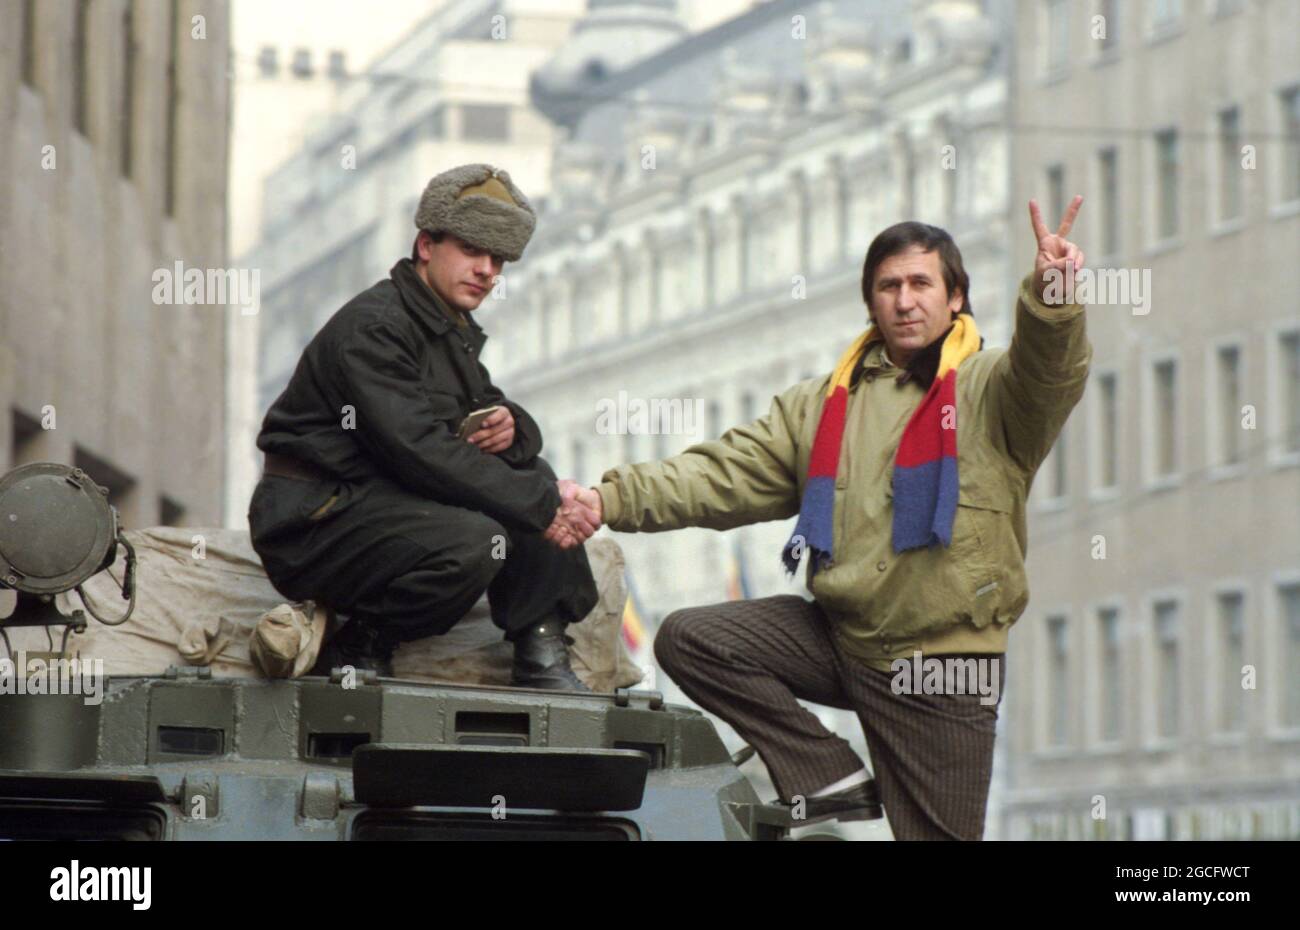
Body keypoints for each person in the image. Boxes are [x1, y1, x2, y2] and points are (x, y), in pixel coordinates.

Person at [560, 198, 1093, 836]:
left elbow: (1049, 371)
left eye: (922, 283)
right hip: (843, 640)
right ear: (870, 302)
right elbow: (722, 473)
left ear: (955, 299)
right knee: (691, 639)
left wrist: (1052, 296)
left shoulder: (991, 391)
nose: (904, 300)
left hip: (941, 664)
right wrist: (608, 499)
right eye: (888, 286)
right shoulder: (822, 404)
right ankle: (825, 773)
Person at [248, 163, 601, 691]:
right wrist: (547, 504)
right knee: (483, 535)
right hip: (317, 518)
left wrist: (513, 429)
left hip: (387, 504)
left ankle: (540, 639)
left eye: (498, 260)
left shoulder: (444, 326)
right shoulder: (376, 326)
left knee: (533, 473)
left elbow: (483, 410)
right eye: (472, 251)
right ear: (426, 245)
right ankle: (365, 639)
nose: (487, 270)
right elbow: (418, 450)